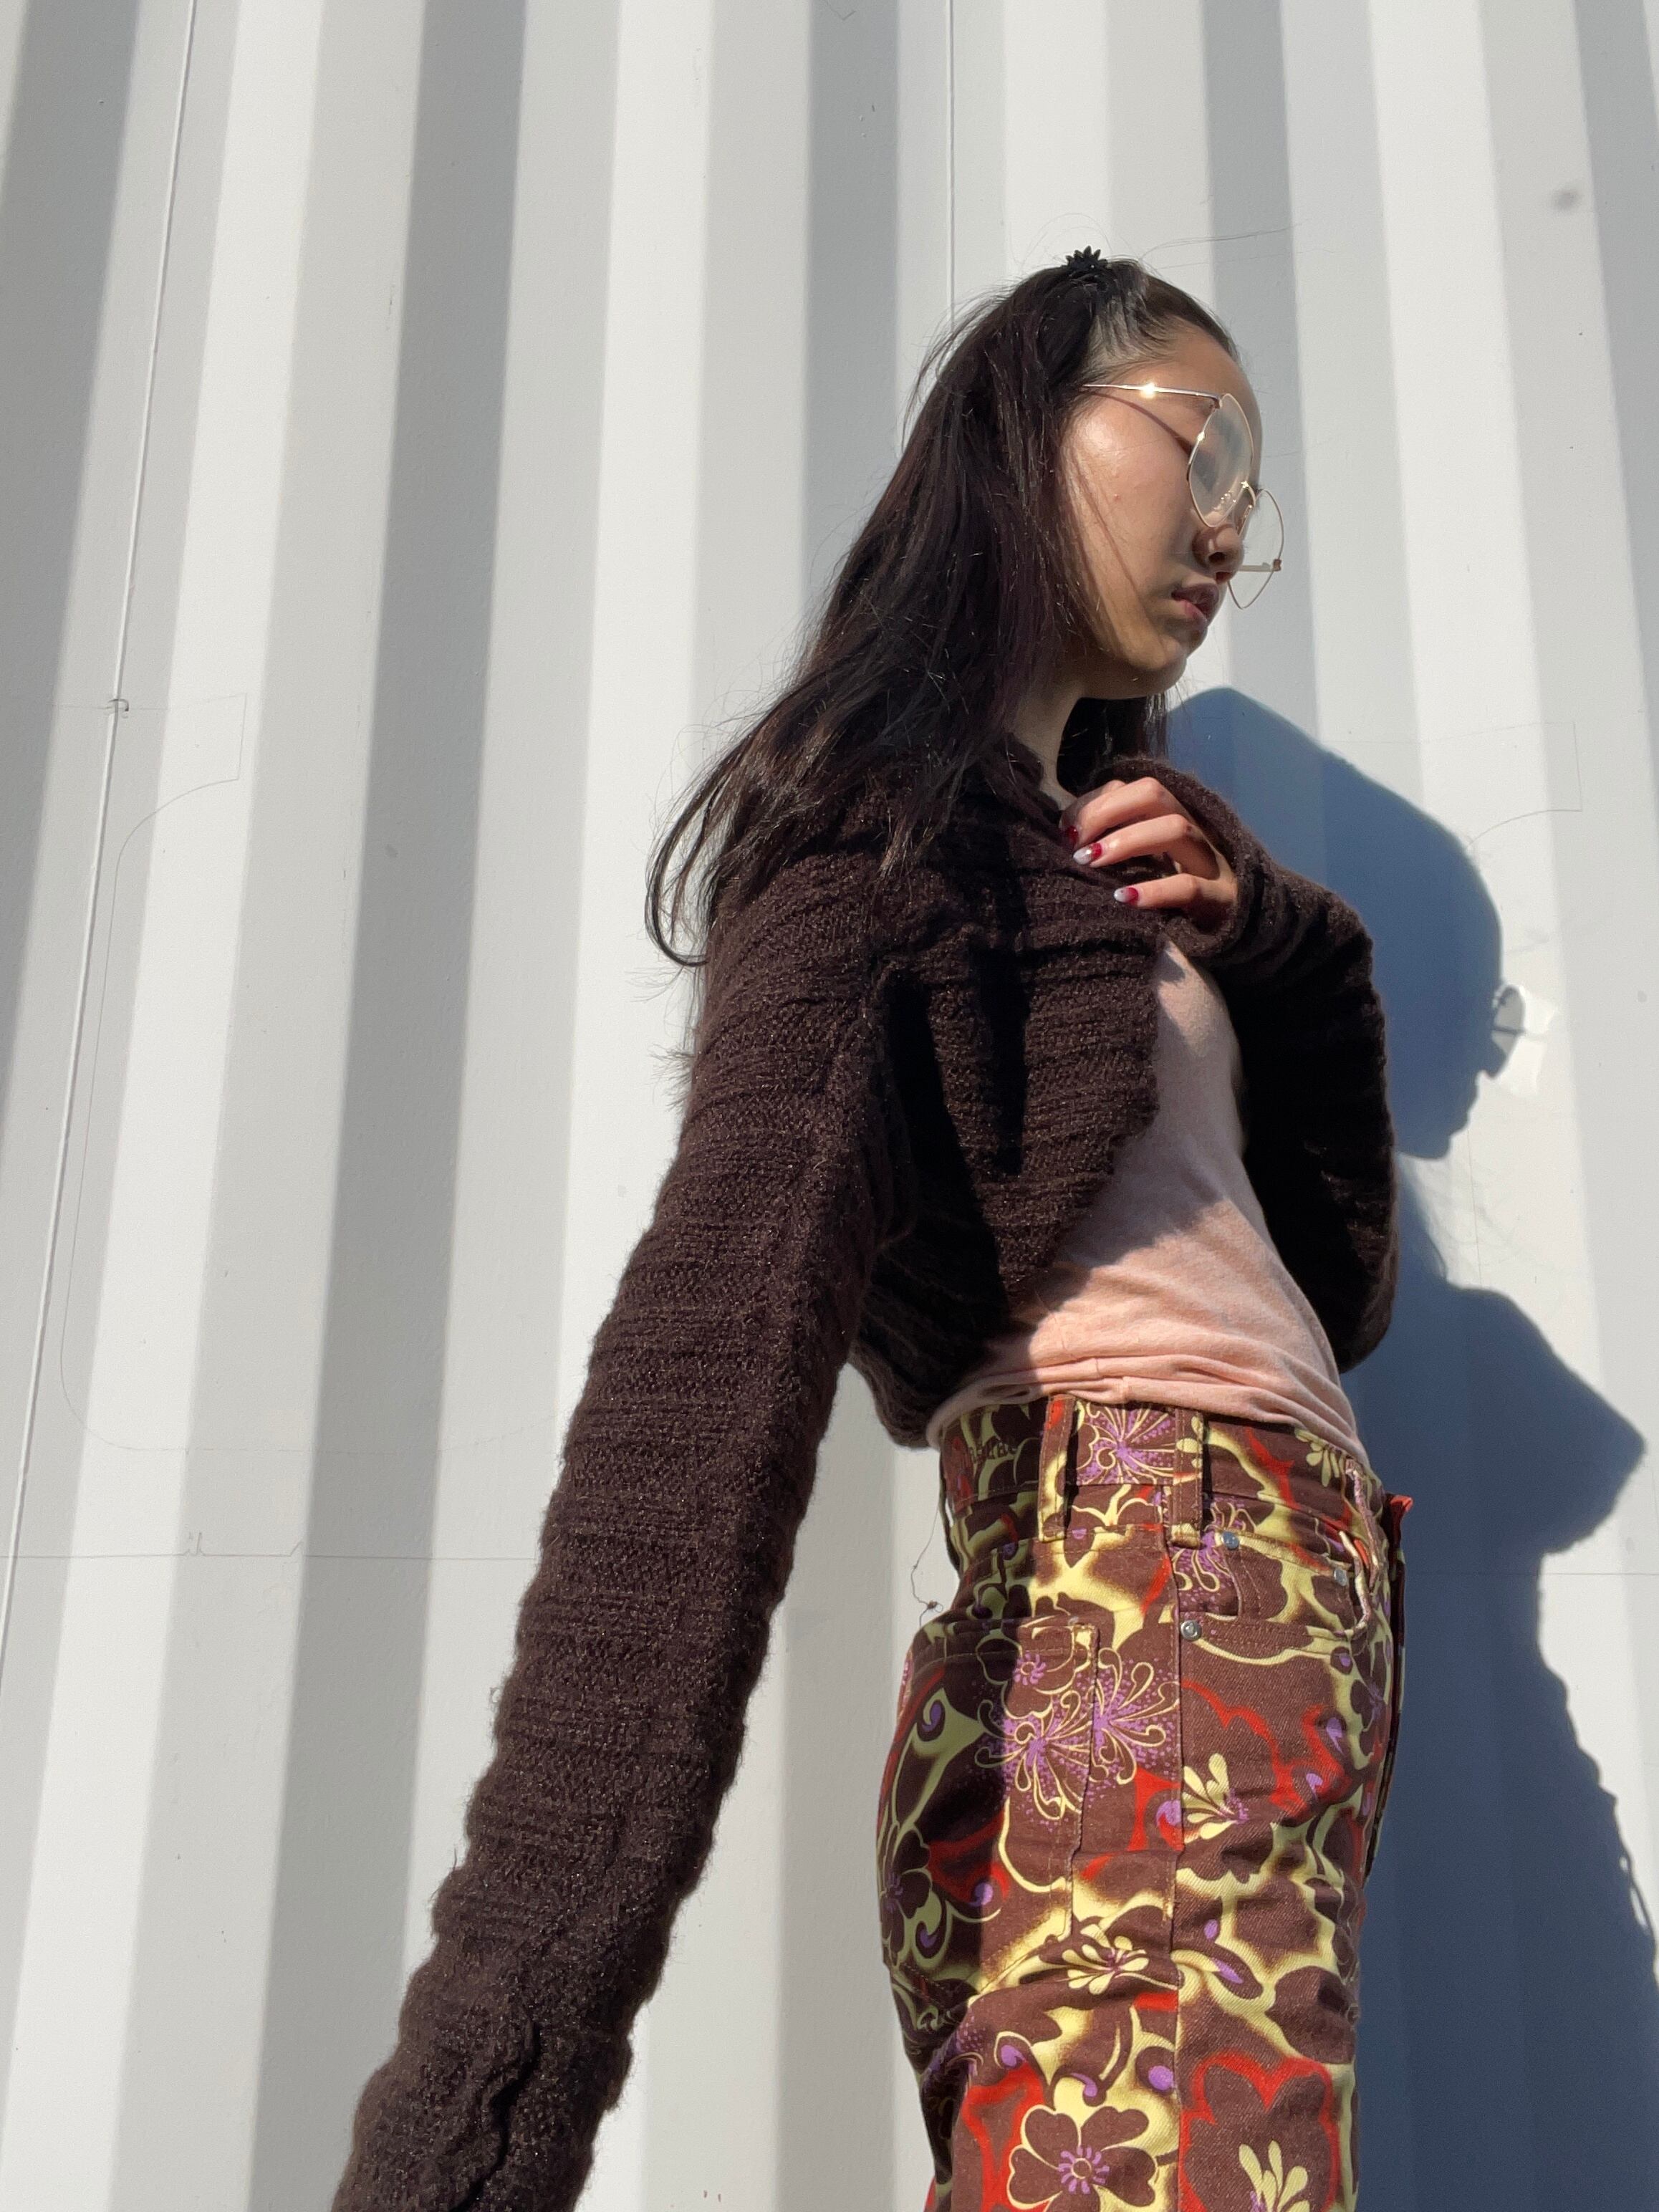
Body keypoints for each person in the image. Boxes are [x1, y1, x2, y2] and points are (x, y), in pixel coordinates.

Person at [331, 249, 1405, 2212]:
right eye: (1200, 444)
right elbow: (707, 1379)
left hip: (1216, 1598)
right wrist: (483, 2120)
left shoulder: (1118, 861)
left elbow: (1338, 1291)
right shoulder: (887, 839)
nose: (1231, 524)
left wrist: (1272, 945)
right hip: (1144, 1589)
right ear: (1028, 425)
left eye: (1254, 486)